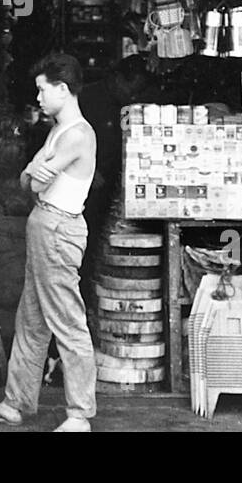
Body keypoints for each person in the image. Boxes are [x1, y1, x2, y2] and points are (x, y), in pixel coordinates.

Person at [0, 53, 98, 433]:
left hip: (58, 228)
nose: (39, 98)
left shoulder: (78, 133)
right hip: (44, 224)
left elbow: (31, 180)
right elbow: (28, 179)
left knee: (66, 320)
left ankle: (80, 414)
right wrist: (33, 172)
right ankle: (16, 403)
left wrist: (34, 171)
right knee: (31, 319)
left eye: (42, 90)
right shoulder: (58, 131)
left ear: (63, 89)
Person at [76, 54, 154, 309]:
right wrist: (90, 169)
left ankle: (92, 295)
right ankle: (83, 295)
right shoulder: (87, 98)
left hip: (114, 184)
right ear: (118, 77)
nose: (133, 94)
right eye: (131, 87)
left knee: (103, 241)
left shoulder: (130, 104)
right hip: (86, 186)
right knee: (83, 243)